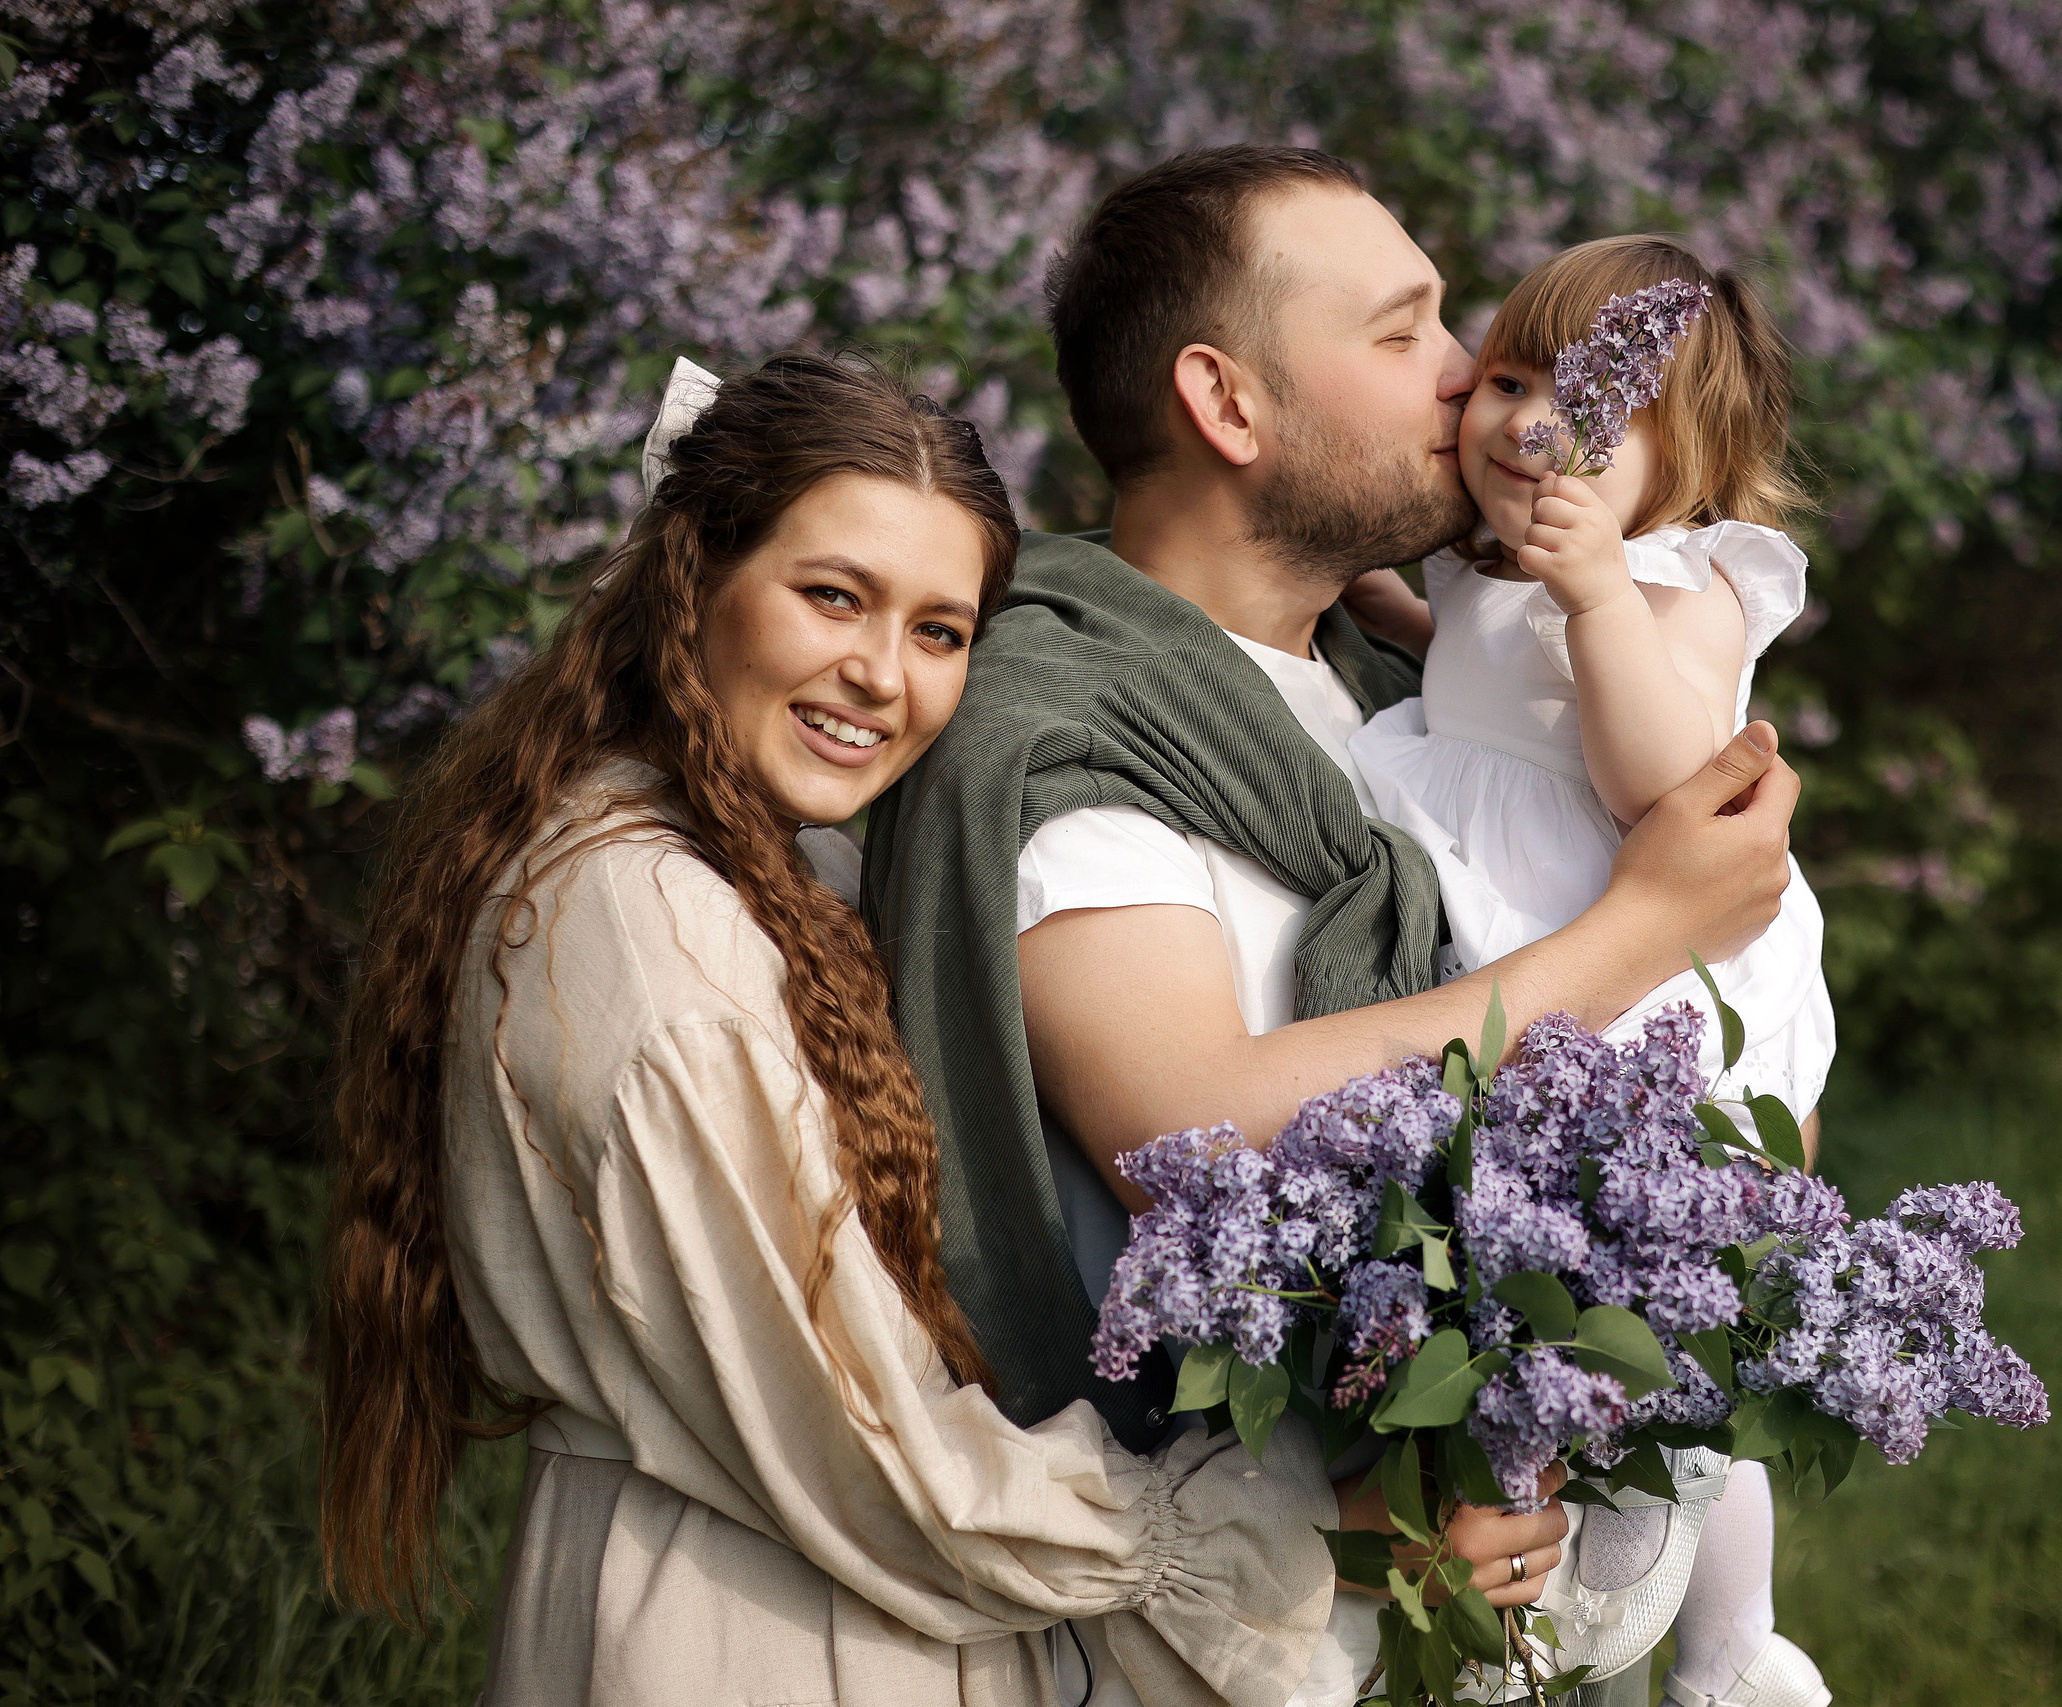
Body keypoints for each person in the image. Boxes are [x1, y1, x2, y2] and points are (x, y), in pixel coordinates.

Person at [318, 350, 1555, 1707]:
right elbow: (878, 1459)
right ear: (696, 584)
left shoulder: (753, 865)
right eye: (833, 596)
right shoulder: (653, 932)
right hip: (746, 1637)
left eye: (939, 631)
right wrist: (1327, 1532)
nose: (878, 676)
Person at [863, 147, 1801, 1706]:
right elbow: (1193, 1124)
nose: (1470, 382)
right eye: (1407, 332)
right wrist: (1647, 931)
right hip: (1203, 1602)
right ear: (1229, 407)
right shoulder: (1072, 725)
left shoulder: (1393, 696)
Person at [1343, 235, 1834, 1707]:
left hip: (1628, 959)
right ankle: (1500, 1571)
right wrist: (1416, 626)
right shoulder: (1502, 571)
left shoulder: (1687, 589)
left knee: (1666, 1327)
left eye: (1590, 409)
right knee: (1518, 1288)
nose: (1531, 424)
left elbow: (1656, 787)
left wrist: (1602, 598)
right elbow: (1503, 698)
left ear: (1685, 466)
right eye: (1507, 379)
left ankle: (1729, 1642)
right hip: (1514, 921)